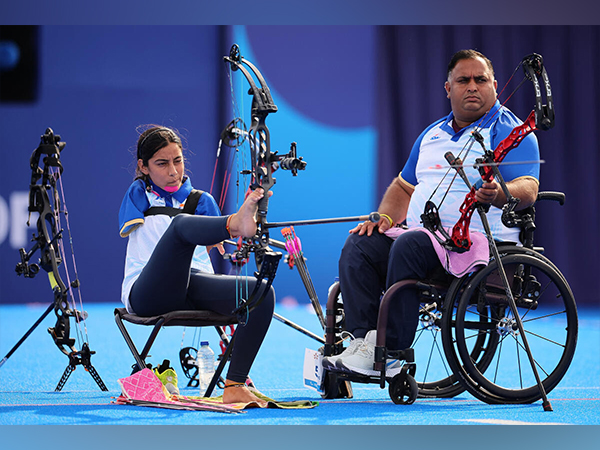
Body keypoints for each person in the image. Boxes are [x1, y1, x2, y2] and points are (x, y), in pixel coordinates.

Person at [323, 50, 540, 376]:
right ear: (447, 88)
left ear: (495, 85)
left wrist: (500, 193)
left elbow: (529, 187)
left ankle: (392, 352)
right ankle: (363, 344)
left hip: (480, 248)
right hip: (426, 243)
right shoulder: (431, 135)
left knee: (410, 243)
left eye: (480, 80)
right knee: (361, 244)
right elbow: (403, 187)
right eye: (463, 80)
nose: (472, 87)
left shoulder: (512, 131)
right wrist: (383, 218)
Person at [119, 125, 274, 405]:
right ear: (143, 167)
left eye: (177, 161)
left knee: (260, 292)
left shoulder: (201, 200)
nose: (173, 172)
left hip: (192, 287)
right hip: (147, 294)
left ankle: (235, 384)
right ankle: (235, 223)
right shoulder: (137, 196)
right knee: (179, 226)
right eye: (161, 163)